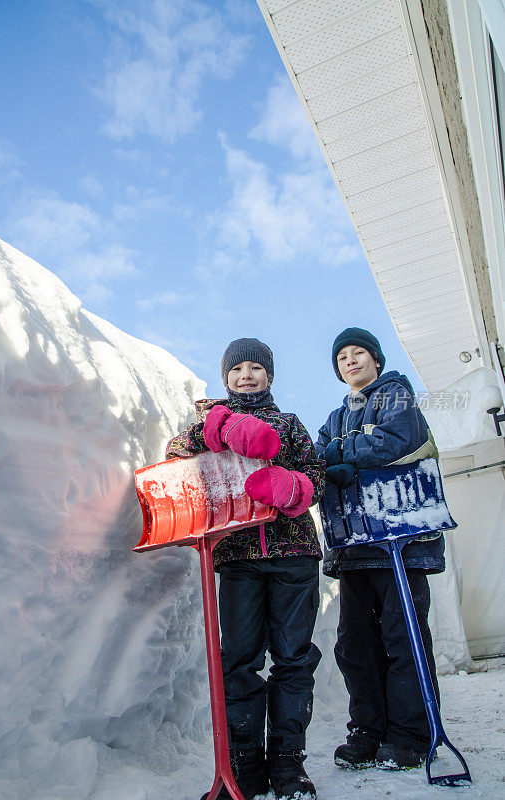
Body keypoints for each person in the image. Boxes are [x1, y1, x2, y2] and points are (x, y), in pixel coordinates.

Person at [166, 338, 324, 800]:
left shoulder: (290, 425)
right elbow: (177, 462)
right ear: (225, 378)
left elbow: (316, 474)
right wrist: (215, 427)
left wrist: (293, 486)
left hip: (293, 555)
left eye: (257, 367)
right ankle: (245, 768)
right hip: (237, 560)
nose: (247, 375)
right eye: (238, 369)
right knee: (237, 664)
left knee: (293, 661)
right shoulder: (204, 426)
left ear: (270, 377)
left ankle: (289, 768)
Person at [315, 327, 445, 771]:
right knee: (355, 645)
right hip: (354, 546)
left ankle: (409, 735)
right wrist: (338, 455)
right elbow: (317, 456)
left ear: (375, 359)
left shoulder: (395, 395)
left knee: (401, 638)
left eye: (359, 353)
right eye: (342, 358)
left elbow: (395, 441)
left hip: (400, 541)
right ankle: (368, 730)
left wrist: (343, 454)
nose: (351, 361)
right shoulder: (333, 417)